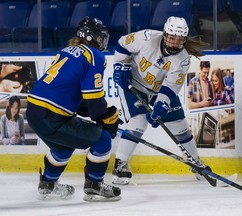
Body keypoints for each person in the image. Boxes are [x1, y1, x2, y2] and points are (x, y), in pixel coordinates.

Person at [26, 16, 121, 201]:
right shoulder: (94, 56)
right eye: (100, 37)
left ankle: (47, 183)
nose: (102, 41)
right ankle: (95, 184)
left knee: (63, 147)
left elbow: (69, 90)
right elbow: (94, 102)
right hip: (52, 116)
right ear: (89, 37)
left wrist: (94, 111)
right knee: (102, 139)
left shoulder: (67, 51)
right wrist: (107, 117)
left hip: (34, 111)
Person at [112, 16, 211, 185]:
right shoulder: (146, 38)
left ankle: (196, 164)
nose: (174, 43)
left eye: (179, 40)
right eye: (171, 38)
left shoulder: (183, 59)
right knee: (139, 120)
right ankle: (120, 165)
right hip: (133, 85)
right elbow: (122, 43)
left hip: (158, 90)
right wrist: (121, 65)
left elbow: (170, 87)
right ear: (165, 34)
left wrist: (161, 105)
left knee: (179, 124)